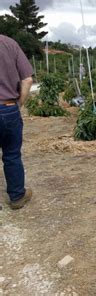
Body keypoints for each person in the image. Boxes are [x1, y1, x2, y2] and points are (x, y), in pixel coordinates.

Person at [0, 34, 33, 210]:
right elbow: (27, 79)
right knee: (12, 155)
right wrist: (17, 104)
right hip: (8, 107)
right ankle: (17, 196)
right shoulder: (9, 43)